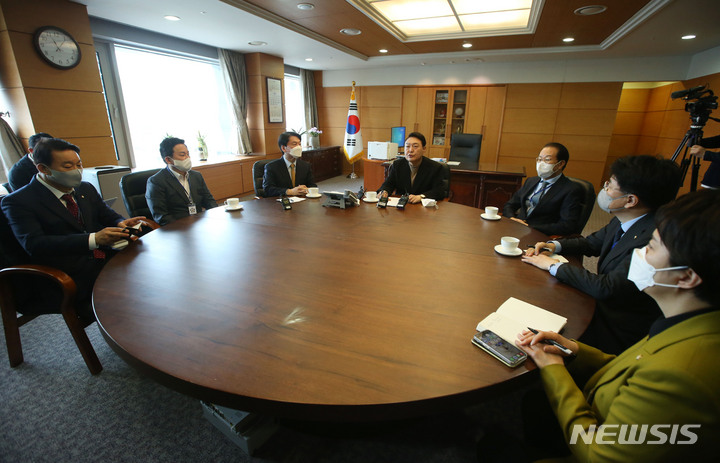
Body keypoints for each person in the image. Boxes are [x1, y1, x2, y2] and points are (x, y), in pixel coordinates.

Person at [515, 189, 720, 462]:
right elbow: (635, 366)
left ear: (686, 278)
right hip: (606, 404)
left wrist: (553, 370)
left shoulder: (683, 375)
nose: (639, 253)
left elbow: (601, 455)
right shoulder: (691, 322)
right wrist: (575, 350)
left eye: (651, 247)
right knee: (535, 407)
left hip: (594, 443)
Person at [522, 155, 681, 354]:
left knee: (533, 327)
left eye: (610, 185)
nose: (604, 189)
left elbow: (607, 287)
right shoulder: (627, 218)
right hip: (601, 306)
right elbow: (592, 242)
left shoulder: (652, 240)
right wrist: (554, 246)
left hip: (617, 327)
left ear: (630, 200)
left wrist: (552, 265)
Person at [1, 138, 148, 319]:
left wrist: (120, 222)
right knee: (136, 286)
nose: (77, 171)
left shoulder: (84, 188)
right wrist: (93, 239)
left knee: (147, 266)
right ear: (43, 169)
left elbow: (106, 214)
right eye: (67, 166)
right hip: (63, 273)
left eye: (79, 164)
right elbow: (34, 244)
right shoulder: (19, 201)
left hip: (99, 258)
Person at [503, 142, 584, 235]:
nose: (541, 163)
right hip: (515, 229)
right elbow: (509, 205)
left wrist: (530, 227)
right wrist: (512, 219)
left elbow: (567, 225)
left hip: (540, 236)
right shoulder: (531, 181)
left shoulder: (571, 189)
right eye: (539, 159)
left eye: (547, 159)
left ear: (560, 164)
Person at [146, 137, 217, 226]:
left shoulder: (196, 176)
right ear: (168, 159)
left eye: (188, 154)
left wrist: (217, 218)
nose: (188, 158)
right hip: (177, 230)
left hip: (200, 224)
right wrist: (185, 228)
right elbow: (162, 217)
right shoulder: (156, 182)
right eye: (182, 155)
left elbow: (209, 201)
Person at [378, 132, 445, 203]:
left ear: (424, 149)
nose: (410, 150)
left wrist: (421, 197)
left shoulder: (435, 167)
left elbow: (439, 191)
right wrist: (384, 191)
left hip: (423, 208)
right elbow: (388, 184)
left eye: (415, 146)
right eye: (407, 146)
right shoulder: (397, 164)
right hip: (402, 207)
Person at [262, 131, 317, 197]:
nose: (298, 147)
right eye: (294, 144)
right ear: (283, 148)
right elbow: (268, 189)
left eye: (299, 144)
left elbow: (313, 186)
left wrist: (307, 189)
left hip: (302, 202)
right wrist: (290, 191)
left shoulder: (305, 166)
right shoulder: (271, 167)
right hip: (280, 203)